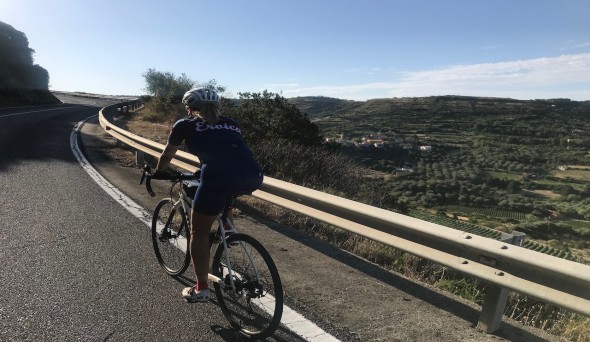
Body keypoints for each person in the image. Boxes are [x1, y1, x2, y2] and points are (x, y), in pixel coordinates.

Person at [155, 87, 263, 303]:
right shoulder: (233, 123)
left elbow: (168, 154)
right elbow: (227, 151)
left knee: (198, 232)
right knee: (224, 195)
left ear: (190, 107)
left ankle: (201, 288)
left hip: (217, 176)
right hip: (253, 174)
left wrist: (159, 172)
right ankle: (229, 230)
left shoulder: (184, 124)